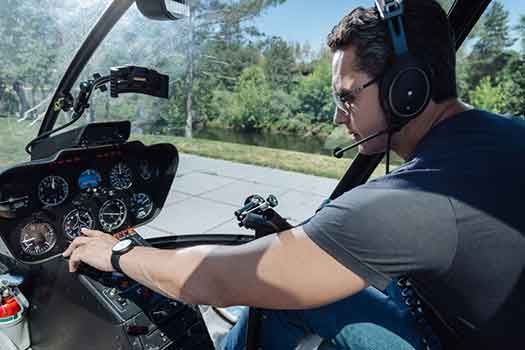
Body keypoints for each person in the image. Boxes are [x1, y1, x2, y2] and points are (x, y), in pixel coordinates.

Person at [63, 0, 525, 349]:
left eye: (346, 97)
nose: (337, 118)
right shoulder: (504, 135)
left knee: (282, 292)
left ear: (408, 89)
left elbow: (214, 281)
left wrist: (119, 253)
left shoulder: (411, 197)